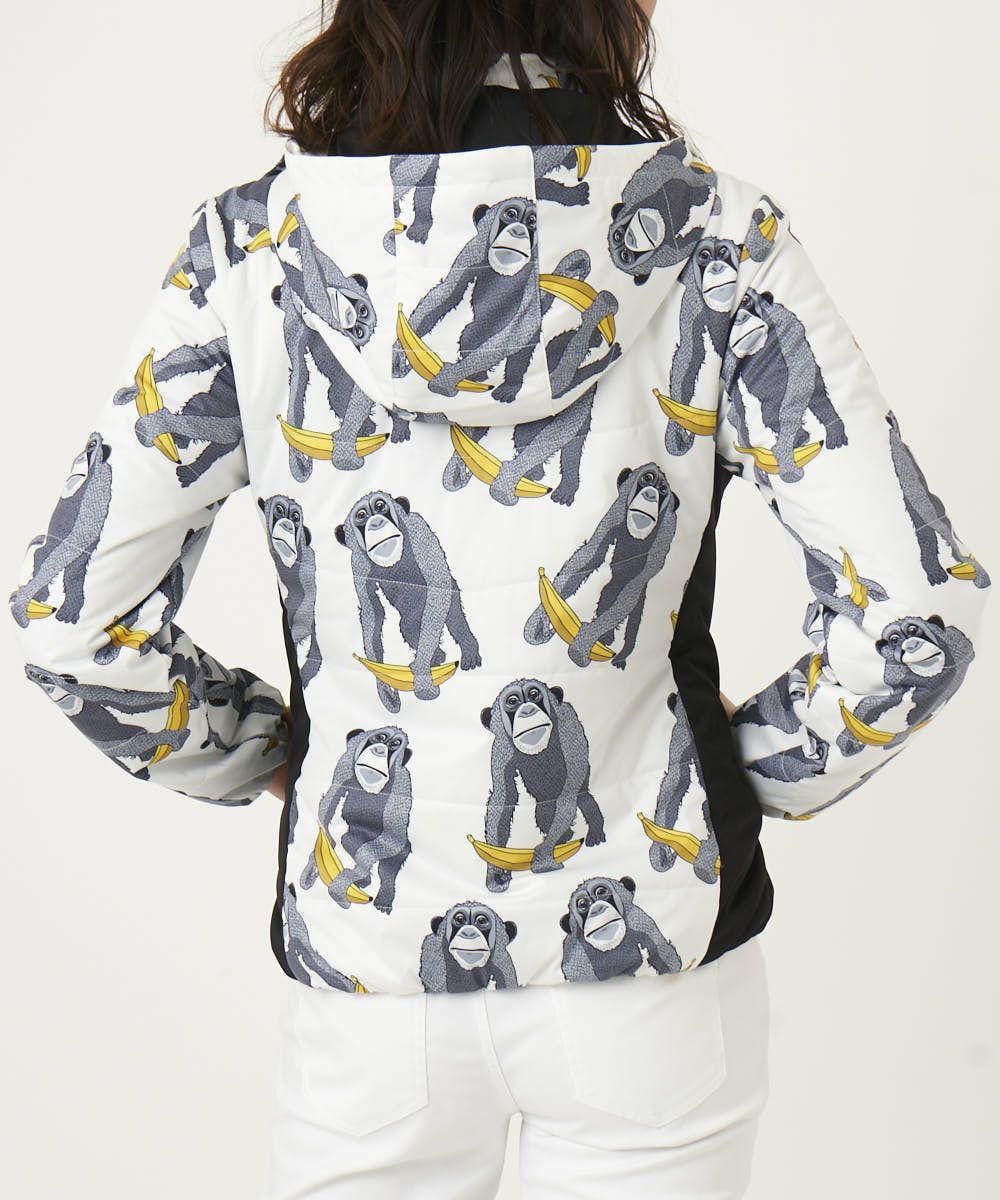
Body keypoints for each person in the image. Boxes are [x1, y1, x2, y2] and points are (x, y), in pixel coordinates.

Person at [7, 2, 990, 1196]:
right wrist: (737, 774)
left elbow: (72, 621)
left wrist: (267, 753)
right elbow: (918, 615)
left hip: (372, 973)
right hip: (656, 978)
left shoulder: (250, 252)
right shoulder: (718, 239)